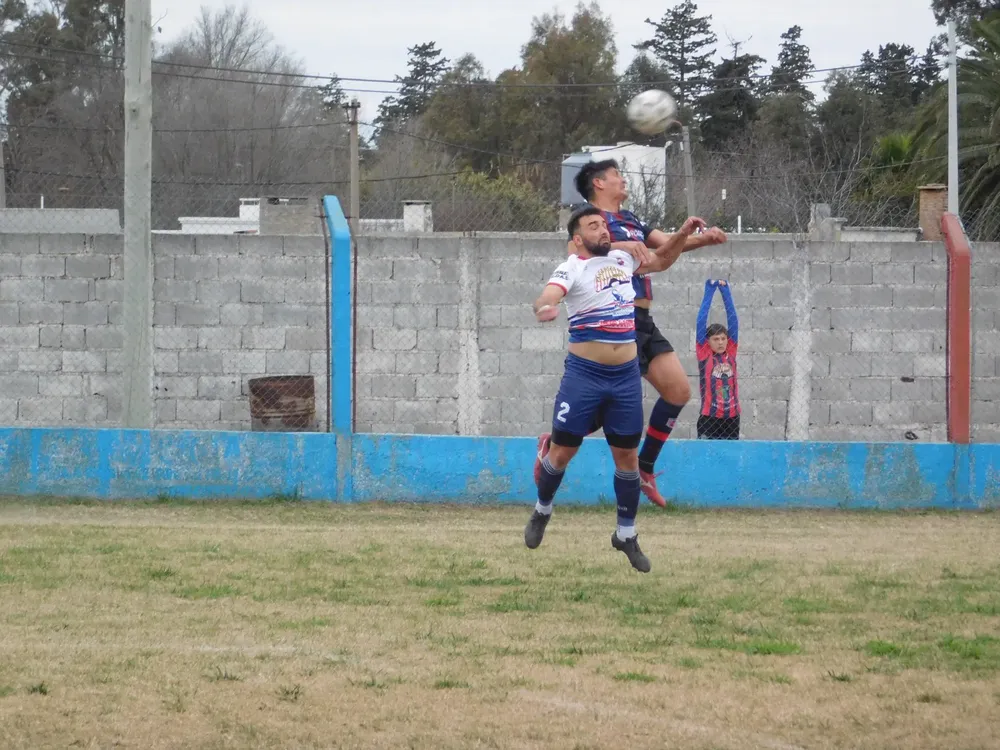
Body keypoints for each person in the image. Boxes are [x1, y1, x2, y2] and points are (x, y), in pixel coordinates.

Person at [548, 159, 728, 507]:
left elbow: (664, 248)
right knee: (610, 404)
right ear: (598, 183)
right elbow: (576, 254)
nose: (622, 179)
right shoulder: (589, 221)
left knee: (678, 391)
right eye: (616, 175)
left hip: (644, 319)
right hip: (615, 320)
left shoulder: (631, 220)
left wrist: (701, 238)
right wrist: (620, 248)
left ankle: (645, 468)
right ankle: (556, 444)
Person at [525, 205, 673, 573]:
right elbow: (547, 296)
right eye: (594, 226)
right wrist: (545, 307)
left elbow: (662, 260)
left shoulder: (623, 258)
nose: (603, 230)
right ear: (577, 239)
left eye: (604, 224)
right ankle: (543, 509)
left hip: (624, 377)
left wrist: (685, 233)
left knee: (627, 459)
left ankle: (626, 534)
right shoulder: (572, 266)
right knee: (561, 454)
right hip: (584, 376)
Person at [696, 279, 741, 440]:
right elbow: (701, 321)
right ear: (708, 341)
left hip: (732, 417)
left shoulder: (731, 351)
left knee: (731, 457)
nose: (721, 342)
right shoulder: (704, 354)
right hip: (709, 417)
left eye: (723, 338)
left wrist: (725, 291)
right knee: (705, 457)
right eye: (716, 339)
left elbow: (733, 320)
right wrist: (709, 290)